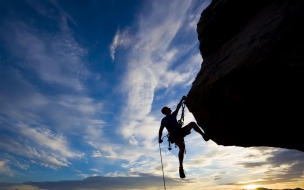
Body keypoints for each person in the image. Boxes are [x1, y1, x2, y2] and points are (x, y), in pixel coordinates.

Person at [158, 95, 209, 178]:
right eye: (168, 108)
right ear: (165, 111)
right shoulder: (164, 120)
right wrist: (159, 139)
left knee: (192, 124)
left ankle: (204, 135)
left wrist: (182, 99)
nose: (169, 108)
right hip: (175, 135)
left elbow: (178, 107)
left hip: (180, 131)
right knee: (182, 147)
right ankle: (181, 167)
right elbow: (160, 130)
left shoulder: (173, 115)